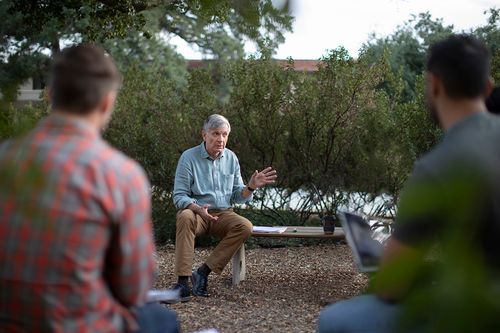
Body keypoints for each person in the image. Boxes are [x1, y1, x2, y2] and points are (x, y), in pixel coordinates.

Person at [318, 34, 500, 332]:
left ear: (434, 84)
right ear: (487, 87)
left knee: (335, 320)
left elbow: (391, 288)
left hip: (480, 313)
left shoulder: (438, 166)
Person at [0, 44, 179, 332]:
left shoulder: (5, 158)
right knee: (161, 320)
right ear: (107, 102)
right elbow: (133, 289)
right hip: (80, 325)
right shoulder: (120, 175)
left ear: (51, 95)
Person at [172, 114, 277, 299]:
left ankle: (203, 273)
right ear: (204, 135)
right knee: (184, 216)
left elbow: (238, 196)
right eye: (216, 134)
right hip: (197, 213)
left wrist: (250, 187)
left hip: (223, 214)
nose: (221, 139)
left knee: (245, 226)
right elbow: (179, 196)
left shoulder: (231, 158)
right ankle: (182, 284)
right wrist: (197, 209)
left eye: (224, 134)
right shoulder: (188, 157)